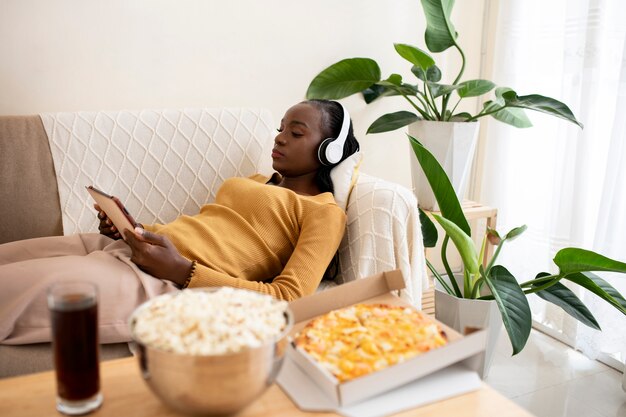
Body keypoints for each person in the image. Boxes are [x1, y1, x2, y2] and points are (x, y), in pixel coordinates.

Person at [0, 99, 360, 344]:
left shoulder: (325, 213)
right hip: (133, 249)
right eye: (281, 128)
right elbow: (197, 230)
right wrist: (133, 228)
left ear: (328, 149)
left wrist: (182, 271)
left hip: (162, 282)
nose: (280, 137)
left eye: (296, 133)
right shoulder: (254, 181)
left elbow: (289, 299)